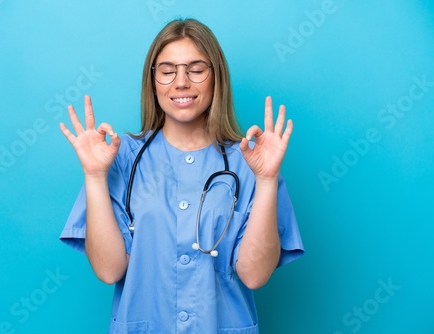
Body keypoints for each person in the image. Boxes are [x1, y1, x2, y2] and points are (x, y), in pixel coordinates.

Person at [59, 18, 304, 334]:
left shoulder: (252, 164)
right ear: (153, 80)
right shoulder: (119, 160)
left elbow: (254, 275)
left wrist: (268, 180)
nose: (181, 82)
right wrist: (94, 176)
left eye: (196, 69)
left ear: (216, 77)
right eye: (167, 70)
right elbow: (109, 270)